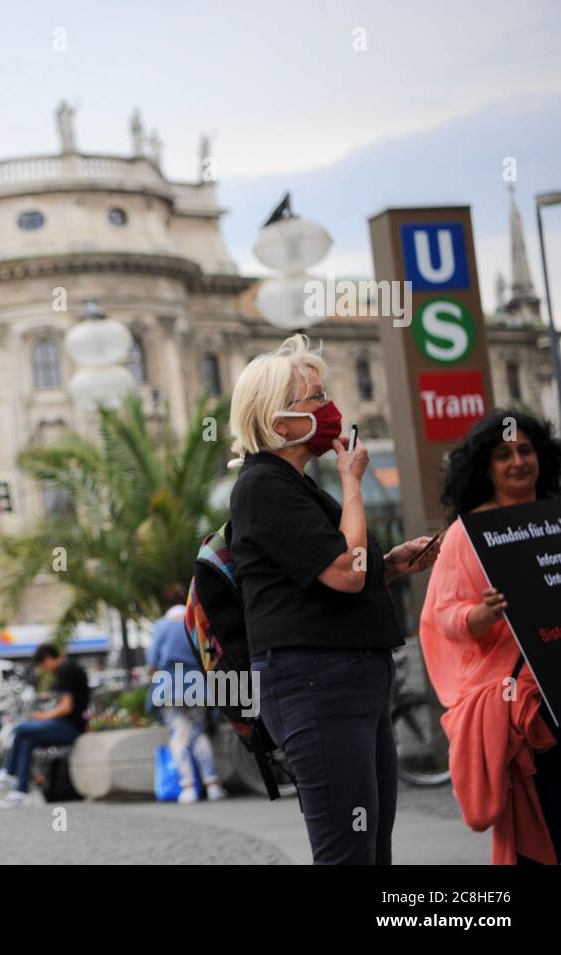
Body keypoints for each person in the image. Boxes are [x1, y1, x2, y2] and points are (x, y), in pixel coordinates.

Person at [227, 334, 438, 864]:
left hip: (348, 679)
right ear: (278, 421)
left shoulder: (295, 486)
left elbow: (338, 572)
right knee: (348, 853)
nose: (330, 409)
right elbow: (345, 572)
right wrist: (351, 484)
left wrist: (388, 567)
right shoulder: (263, 487)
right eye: (315, 399)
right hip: (315, 682)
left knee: (372, 849)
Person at [419, 409, 561, 864]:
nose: (518, 461)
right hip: (527, 706)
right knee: (546, 821)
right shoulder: (467, 534)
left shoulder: (555, 517)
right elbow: (443, 614)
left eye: (525, 450)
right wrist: (481, 615)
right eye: (503, 454)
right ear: (486, 467)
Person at [0, 642, 89, 808]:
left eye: (42, 665)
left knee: (22, 728)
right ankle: (20, 793)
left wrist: (44, 716)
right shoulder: (71, 668)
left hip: (70, 728)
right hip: (70, 725)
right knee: (27, 741)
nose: (44, 670)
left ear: (47, 659)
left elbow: (66, 707)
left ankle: (9, 773)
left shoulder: (65, 671)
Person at [148, 583, 226, 804]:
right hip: (196, 685)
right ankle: (212, 785)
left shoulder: (161, 626)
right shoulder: (194, 621)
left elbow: (152, 660)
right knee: (199, 733)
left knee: (178, 735)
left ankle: (187, 787)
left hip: (169, 686)